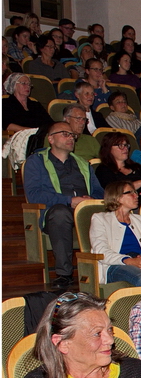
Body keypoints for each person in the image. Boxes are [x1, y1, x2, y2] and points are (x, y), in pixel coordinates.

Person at [23, 121, 100, 290]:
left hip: (84, 210)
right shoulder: (36, 161)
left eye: (72, 135)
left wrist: (91, 199)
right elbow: (34, 194)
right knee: (60, 213)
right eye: (65, 134)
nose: (70, 138)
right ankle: (64, 274)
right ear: (51, 139)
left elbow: (99, 192)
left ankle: (106, 270)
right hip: (56, 210)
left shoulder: (83, 163)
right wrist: (69, 200)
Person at [90, 181, 141, 288]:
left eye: (135, 192)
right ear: (117, 197)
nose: (136, 195)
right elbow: (101, 250)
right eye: (130, 193)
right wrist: (128, 260)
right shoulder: (100, 219)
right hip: (115, 264)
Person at [94, 131, 141, 200]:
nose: (125, 148)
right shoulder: (103, 170)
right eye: (120, 145)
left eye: (126, 145)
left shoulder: (136, 166)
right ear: (109, 148)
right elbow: (114, 192)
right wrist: (139, 183)